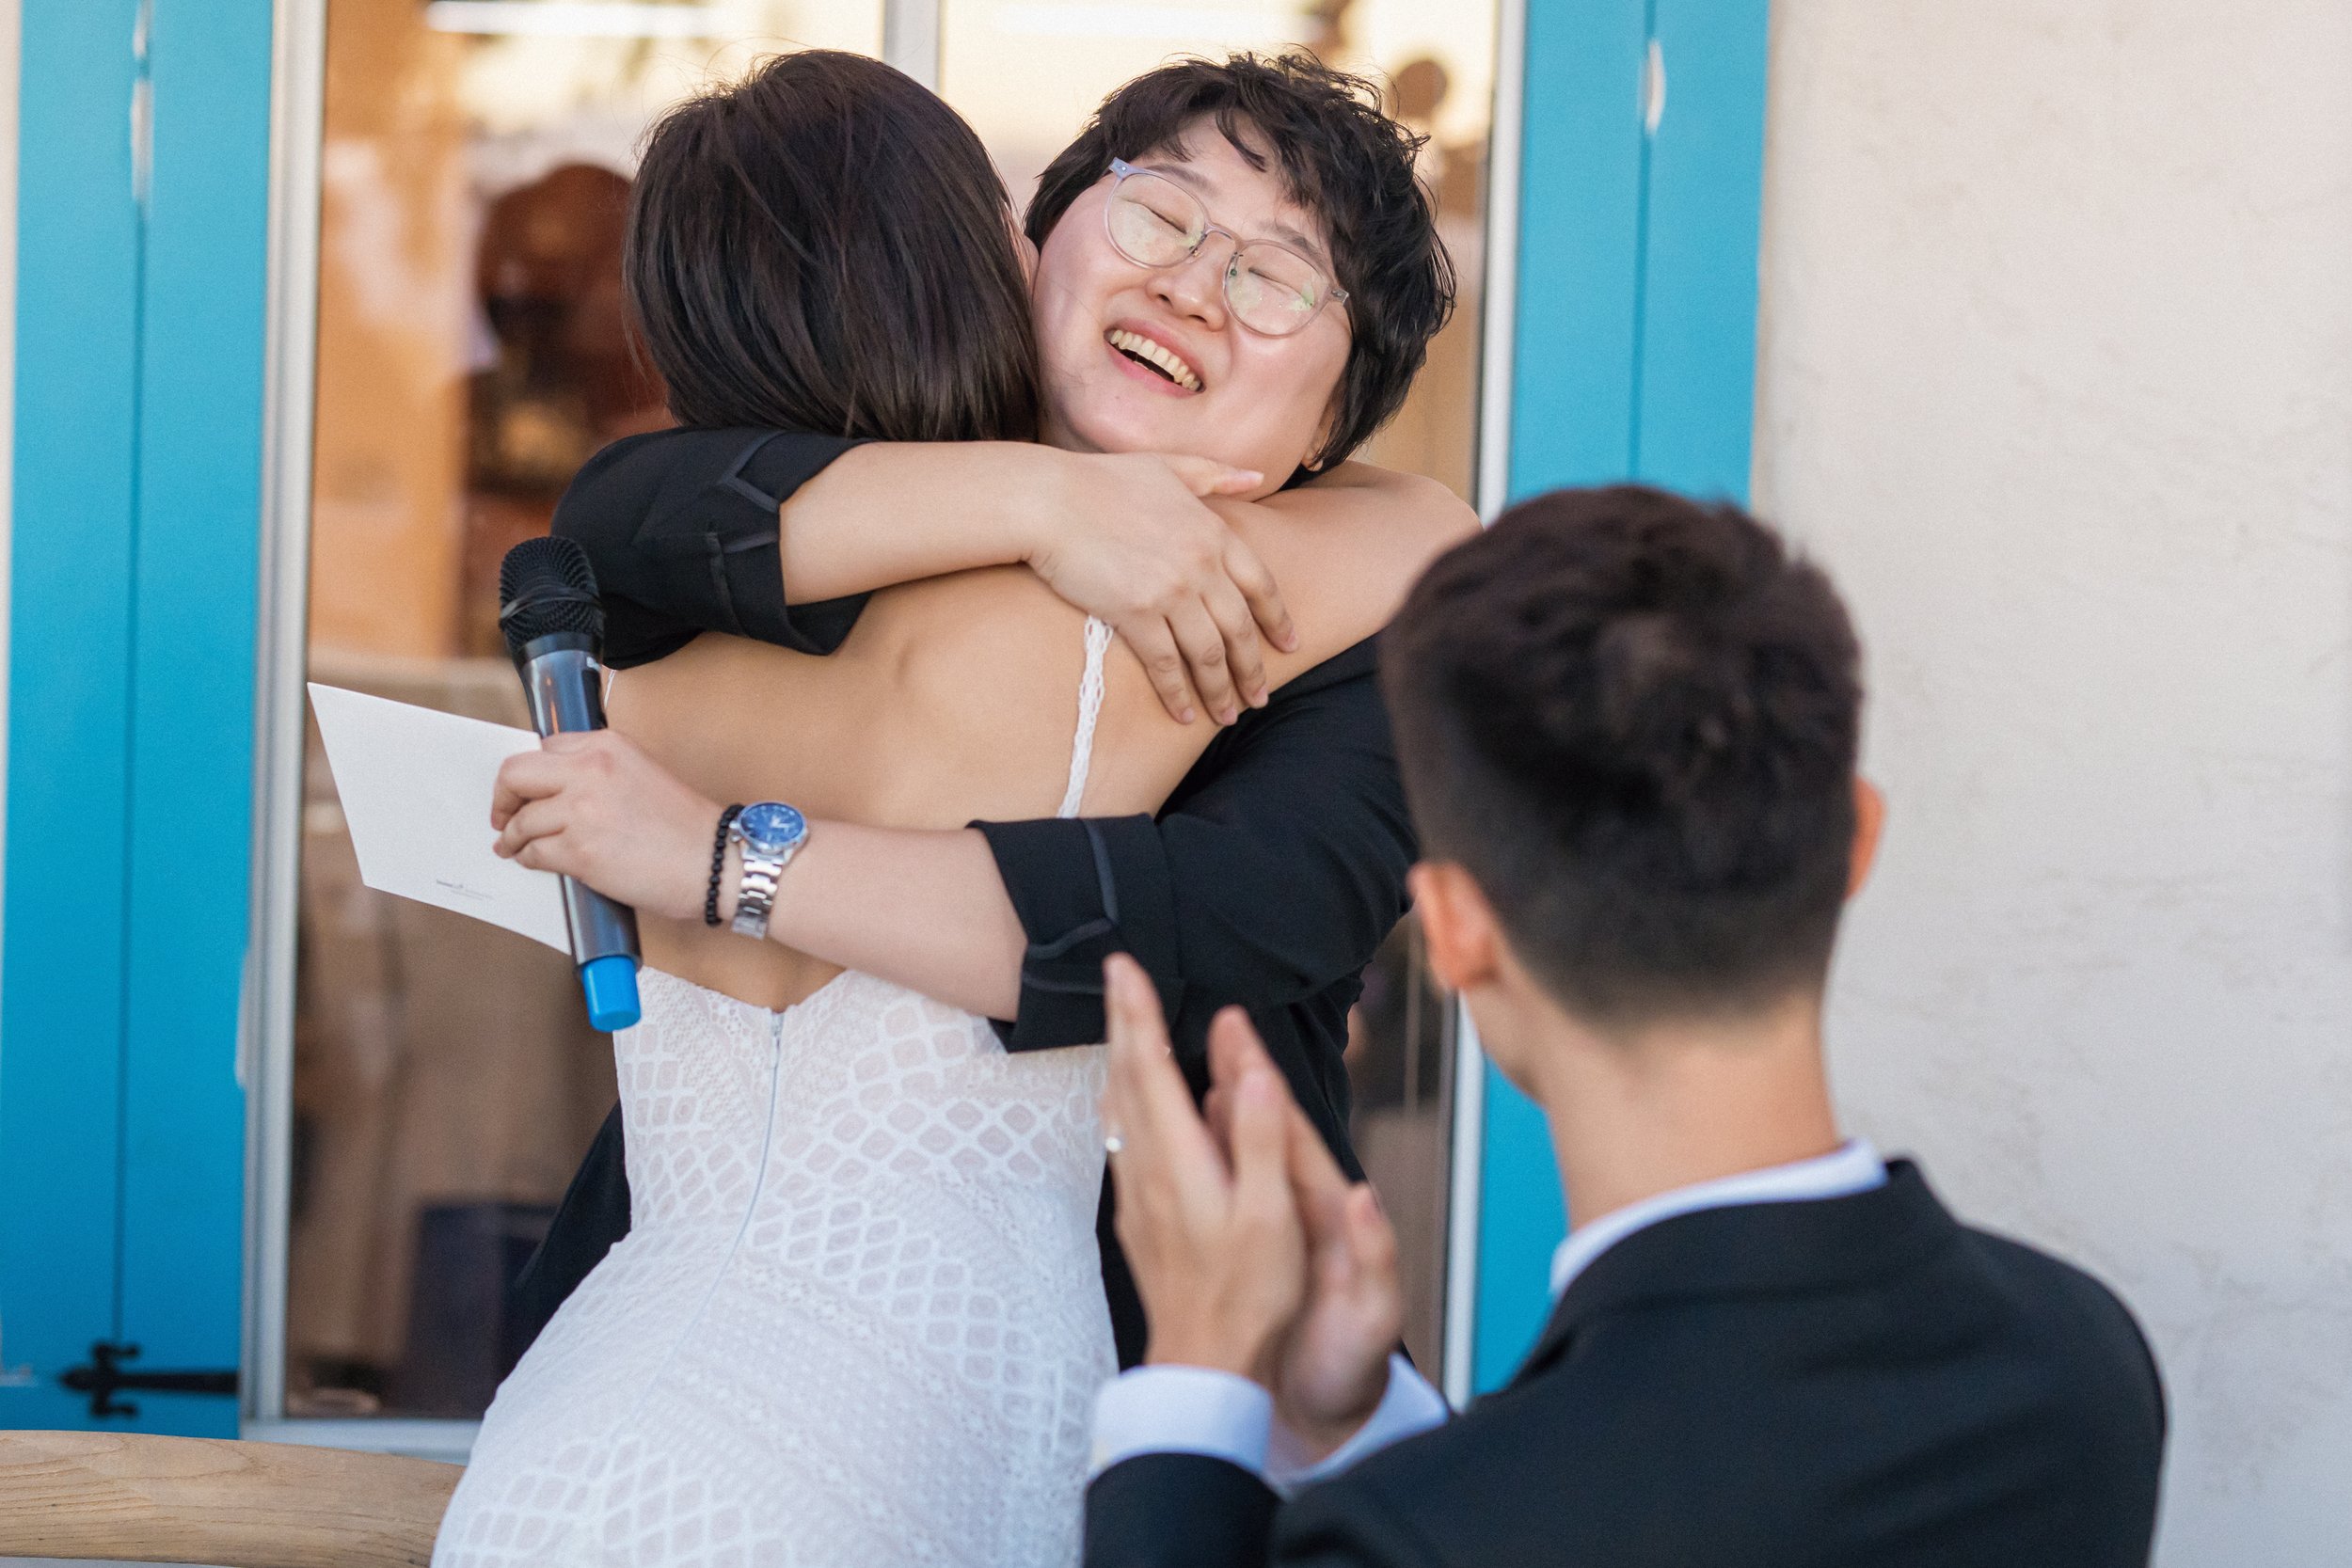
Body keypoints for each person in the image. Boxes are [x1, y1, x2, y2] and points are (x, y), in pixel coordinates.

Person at [437, 50, 1468, 1568]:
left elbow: (1252, 913)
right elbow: (629, 505)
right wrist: (1047, 499)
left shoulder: (1364, 618)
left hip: (1166, 1372)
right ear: (1028, 245)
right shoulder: (742, 515)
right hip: (769, 1388)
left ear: (1331, 423)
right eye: (1165, 215)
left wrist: (730, 861)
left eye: (1275, 279)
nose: (1196, 284)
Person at [1086, 486, 2169, 1567]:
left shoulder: (1431, 1528)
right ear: (1855, 837)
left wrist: (1196, 1389)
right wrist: (1359, 1424)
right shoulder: (2083, 1362)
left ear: (1457, 930)